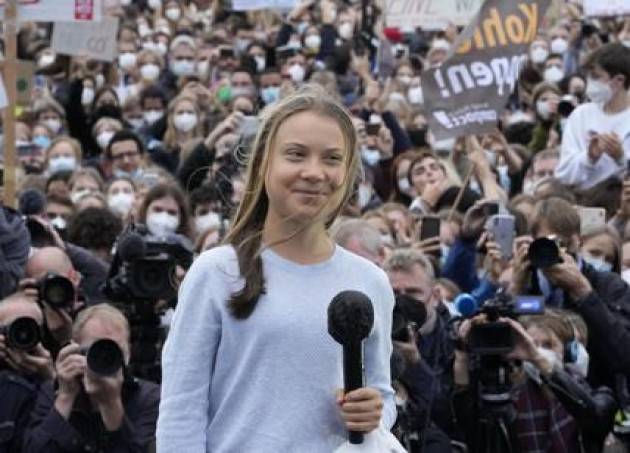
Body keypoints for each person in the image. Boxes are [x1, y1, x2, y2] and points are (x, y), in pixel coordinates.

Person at [157, 85, 396, 452]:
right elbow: (181, 413)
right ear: (264, 164)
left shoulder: (371, 281)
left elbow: (382, 393)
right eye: (296, 154)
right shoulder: (215, 272)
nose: (314, 172)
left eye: (332, 159)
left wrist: (373, 410)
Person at [23, 304, 160, 452]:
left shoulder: (149, 398)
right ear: (74, 350)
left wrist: (111, 404)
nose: (105, 358)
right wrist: (65, 397)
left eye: (114, 350)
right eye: (96, 349)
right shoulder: (52, 392)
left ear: (128, 353)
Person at [555, 43, 630, 190]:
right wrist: (589, 157)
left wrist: (620, 157)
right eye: (588, 76)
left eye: (596, 77)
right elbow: (564, 175)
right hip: (585, 202)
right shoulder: (581, 115)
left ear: (619, 80)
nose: (590, 82)